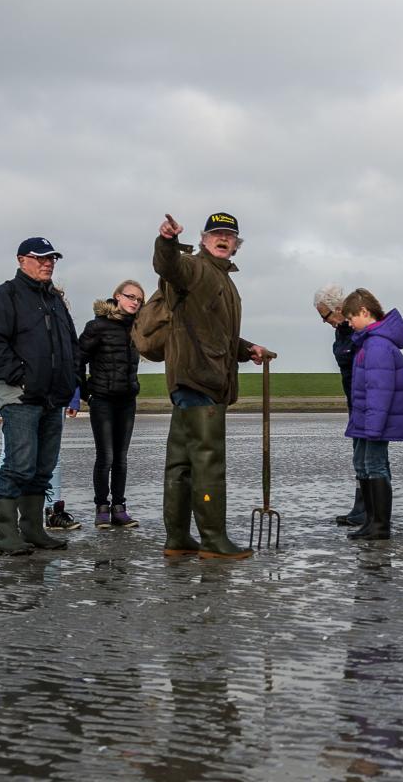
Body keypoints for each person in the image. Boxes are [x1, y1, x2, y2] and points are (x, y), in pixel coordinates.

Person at [153, 212, 272, 560]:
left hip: (193, 379)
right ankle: (213, 539)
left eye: (230, 235)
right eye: (217, 233)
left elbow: (217, 332)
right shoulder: (193, 267)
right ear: (204, 239)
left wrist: (245, 348)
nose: (224, 239)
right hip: (198, 378)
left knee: (181, 463)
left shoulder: (222, 280)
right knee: (208, 461)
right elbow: (167, 266)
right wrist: (168, 240)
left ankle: (177, 538)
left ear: (237, 244)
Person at [0, 236, 80, 556]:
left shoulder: (54, 300)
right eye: (41, 257)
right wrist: (22, 378)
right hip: (20, 397)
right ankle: (6, 535)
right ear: (22, 260)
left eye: (52, 258)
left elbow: (70, 347)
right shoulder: (3, 296)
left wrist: (71, 382)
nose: (48, 263)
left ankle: (34, 530)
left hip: (53, 398)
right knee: (19, 466)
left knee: (43, 468)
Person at [341, 288, 403, 541]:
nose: (349, 324)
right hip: (366, 419)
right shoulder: (369, 343)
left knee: (374, 466)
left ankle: (380, 526)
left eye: (351, 318)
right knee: (362, 464)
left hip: (375, 421)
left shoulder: (378, 346)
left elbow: (379, 391)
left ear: (364, 312)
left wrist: (373, 427)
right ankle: (371, 521)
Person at [78, 280, 145, 530]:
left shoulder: (138, 329)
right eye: (130, 297)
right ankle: (101, 508)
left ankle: (119, 507)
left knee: (121, 458)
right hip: (102, 400)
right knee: (105, 456)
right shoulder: (97, 326)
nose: (134, 302)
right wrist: (87, 394)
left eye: (139, 299)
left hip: (127, 400)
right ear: (117, 296)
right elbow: (78, 359)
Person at [0, 376, 82, 530]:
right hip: (16, 397)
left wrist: (74, 395)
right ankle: (7, 517)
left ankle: (53, 511)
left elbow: (69, 357)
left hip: (54, 396)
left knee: (52, 456)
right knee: (12, 457)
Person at [314, 285, 363, 527]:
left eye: (326, 316)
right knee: (359, 455)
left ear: (339, 309)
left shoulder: (357, 331)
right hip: (354, 400)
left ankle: (370, 511)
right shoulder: (342, 332)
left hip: (365, 401)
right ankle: (361, 507)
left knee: (369, 456)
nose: (325, 322)